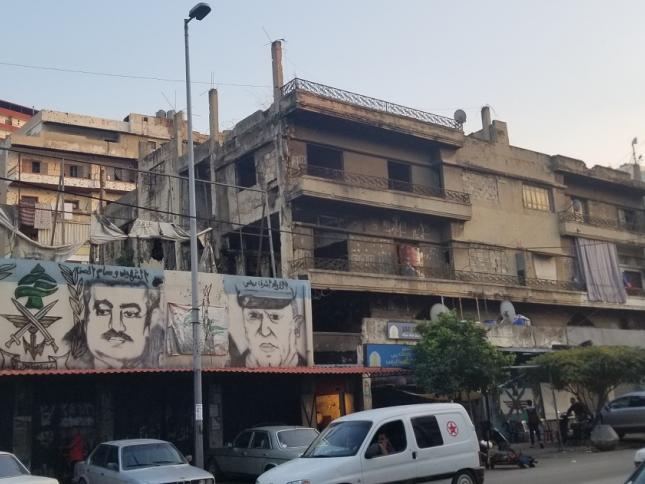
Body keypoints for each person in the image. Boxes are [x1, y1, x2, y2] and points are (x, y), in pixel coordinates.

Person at [63, 270, 164, 369]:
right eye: (103, 311)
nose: (116, 326)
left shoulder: (163, 357)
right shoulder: (65, 356)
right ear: (86, 319)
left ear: (151, 321)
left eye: (129, 314)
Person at [231, 282, 306, 367]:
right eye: (253, 316)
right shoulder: (232, 368)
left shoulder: (308, 370)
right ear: (244, 324)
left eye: (275, 317)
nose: (264, 332)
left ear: (296, 326)